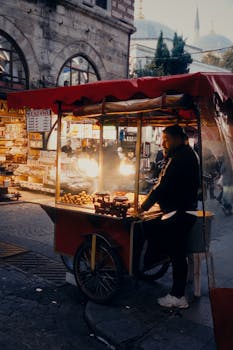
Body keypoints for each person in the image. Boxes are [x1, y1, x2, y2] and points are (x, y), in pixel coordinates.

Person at [139, 124, 200, 309]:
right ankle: (175, 289)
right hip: (186, 210)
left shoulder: (179, 157)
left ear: (177, 139)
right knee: (177, 253)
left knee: (177, 254)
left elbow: (162, 186)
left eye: (166, 140)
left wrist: (143, 207)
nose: (163, 143)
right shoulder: (187, 154)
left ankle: (177, 295)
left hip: (179, 213)